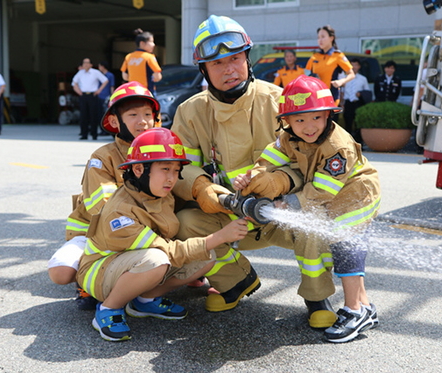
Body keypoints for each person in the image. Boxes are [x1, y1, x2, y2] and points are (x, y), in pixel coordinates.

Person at [171, 14, 338, 329]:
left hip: (281, 212)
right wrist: (201, 189)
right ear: (203, 70)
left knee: (317, 217)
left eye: (235, 58)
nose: (229, 69)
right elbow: (180, 168)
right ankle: (235, 282)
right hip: (228, 215)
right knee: (186, 222)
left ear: (247, 59)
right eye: (218, 64)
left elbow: (316, 161)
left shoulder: (279, 101)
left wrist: (280, 181)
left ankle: (318, 298)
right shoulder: (190, 112)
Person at [235, 75, 381, 343]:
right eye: (299, 120)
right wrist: (252, 176)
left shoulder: (337, 145)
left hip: (356, 193)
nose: (309, 126)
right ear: (287, 122)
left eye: (316, 117)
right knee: (341, 244)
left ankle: (355, 310)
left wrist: (288, 204)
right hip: (331, 193)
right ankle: (366, 307)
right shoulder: (287, 137)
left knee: (344, 243)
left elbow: (323, 190)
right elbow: (267, 161)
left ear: (327, 113)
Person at [77, 127, 248, 342]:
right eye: (165, 169)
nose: (172, 178)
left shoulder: (158, 193)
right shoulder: (120, 211)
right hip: (98, 271)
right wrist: (220, 236)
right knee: (157, 260)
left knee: (205, 257)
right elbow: (165, 250)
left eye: (176, 170)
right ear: (139, 169)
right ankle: (108, 308)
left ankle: (145, 300)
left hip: (134, 265)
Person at [48, 81, 159, 310]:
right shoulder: (102, 157)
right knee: (60, 272)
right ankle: (88, 278)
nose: (143, 121)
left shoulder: (162, 152)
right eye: (133, 114)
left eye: (148, 114)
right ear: (115, 121)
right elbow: (103, 209)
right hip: (95, 233)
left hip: (144, 229)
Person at [305, 25, 355, 106]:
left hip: (331, 97)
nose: (320, 40)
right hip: (314, 98)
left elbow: (351, 74)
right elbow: (305, 75)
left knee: (328, 118)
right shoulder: (314, 57)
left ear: (331, 38)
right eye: (318, 37)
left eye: (323, 37)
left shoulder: (338, 55)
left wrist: (341, 81)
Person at [72, 58, 108, 140]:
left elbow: (105, 81)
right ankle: (84, 134)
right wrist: (78, 91)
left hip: (93, 95)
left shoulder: (95, 72)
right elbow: (74, 82)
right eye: (84, 63)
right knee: (83, 115)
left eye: (87, 63)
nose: (85, 64)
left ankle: (94, 134)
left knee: (93, 115)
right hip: (83, 95)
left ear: (91, 64)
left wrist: (99, 90)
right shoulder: (80, 73)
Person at [121, 29, 162, 94]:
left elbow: (125, 77)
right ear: (142, 43)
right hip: (147, 91)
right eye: (151, 42)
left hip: (132, 91)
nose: (153, 44)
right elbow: (158, 77)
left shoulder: (128, 57)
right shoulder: (149, 57)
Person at [342, 58, 371, 145]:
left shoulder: (363, 79)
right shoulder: (344, 78)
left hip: (358, 102)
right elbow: (341, 91)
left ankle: (358, 143)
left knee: (358, 123)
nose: (354, 67)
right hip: (348, 102)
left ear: (359, 66)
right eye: (352, 65)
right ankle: (348, 143)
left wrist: (361, 94)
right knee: (348, 122)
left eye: (356, 65)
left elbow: (367, 91)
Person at [97, 61, 115, 135]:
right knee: (100, 114)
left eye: (99, 66)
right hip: (99, 96)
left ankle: (106, 130)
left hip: (106, 96)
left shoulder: (110, 75)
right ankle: (102, 130)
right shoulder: (99, 75)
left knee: (105, 114)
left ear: (102, 66)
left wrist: (112, 96)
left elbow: (112, 86)